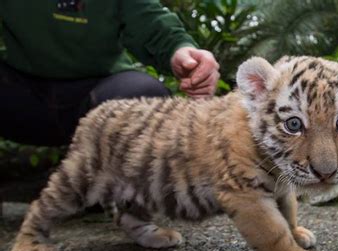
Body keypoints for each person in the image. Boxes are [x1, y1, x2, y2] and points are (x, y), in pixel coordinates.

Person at [0, 0, 220, 146]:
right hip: (20, 95)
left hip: (96, 97)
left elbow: (151, 21)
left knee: (144, 96)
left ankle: (121, 200)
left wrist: (180, 51)